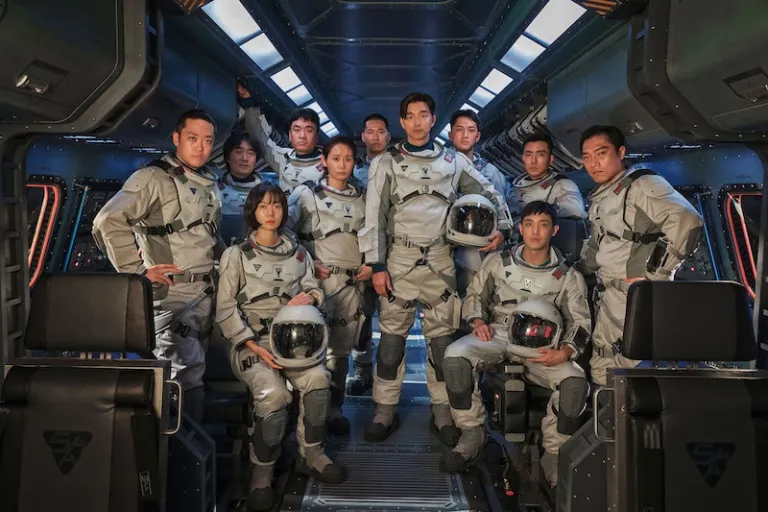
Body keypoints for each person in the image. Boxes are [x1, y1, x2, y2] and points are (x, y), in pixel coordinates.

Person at [359, 91, 513, 444]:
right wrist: (377, 265)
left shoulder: (453, 161)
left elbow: (489, 192)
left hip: (441, 261)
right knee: (390, 345)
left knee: (442, 345)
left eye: (423, 114)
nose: (417, 122)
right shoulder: (386, 163)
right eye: (410, 116)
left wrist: (503, 227)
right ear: (403, 122)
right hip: (398, 261)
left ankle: (442, 412)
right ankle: (384, 410)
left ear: (433, 119)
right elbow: (373, 216)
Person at [441, 201, 591, 486]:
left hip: (543, 344)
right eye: (529, 225)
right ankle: (472, 434)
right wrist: (478, 321)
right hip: (499, 333)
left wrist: (565, 351)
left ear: (554, 231)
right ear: (520, 228)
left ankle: (555, 454)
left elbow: (580, 321)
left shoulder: (567, 276)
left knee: (574, 383)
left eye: (543, 225)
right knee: (454, 357)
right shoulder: (498, 262)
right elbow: (475, 295)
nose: (535, 232)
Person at [216, 182, 345, 511]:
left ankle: (312, 453)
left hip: (294, 342)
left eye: (276, 205)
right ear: (253, 212)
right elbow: (225, 309)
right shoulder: (236, 255)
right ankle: (261, 474)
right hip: (253, 343)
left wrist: (310, 297)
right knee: (274, 395)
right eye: (263, 206)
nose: (270, 212)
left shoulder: (299, 253)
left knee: (318, 380)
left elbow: (314, 288)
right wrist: (253, 346)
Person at [93, 109, 222, 421]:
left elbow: (209, 238)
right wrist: (137, 274)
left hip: (206, 294)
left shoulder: (208, 182)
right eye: (193, 138)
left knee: (196, 372)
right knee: (185, 375)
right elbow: (107, 221)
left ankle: (195, 443)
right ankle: (182, 447)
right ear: (176, 138)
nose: (200, 147)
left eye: (207, 140)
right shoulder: (154, 179)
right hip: (173, 296)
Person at [578, 125, 704, 386]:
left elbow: (689, 223)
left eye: (601, 153)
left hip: (634, 300)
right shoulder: (603, 196)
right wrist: (575, 272)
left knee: (633, 371)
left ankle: (630, 413)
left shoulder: (642, 185)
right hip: (608, 298)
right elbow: (597, 246)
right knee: (602, 364)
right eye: (587, 157)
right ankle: (607, 412)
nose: (593, 163)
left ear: (621, 152)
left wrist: (654, 278)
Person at [287, 135, 371, 434]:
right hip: (317, 285)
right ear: (324, 161)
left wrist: (371, 264)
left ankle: (334, 410)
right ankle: (306, 414)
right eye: (336, 158)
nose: (342, 165)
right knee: (309, 349)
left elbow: (375, 235)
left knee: (341, 352)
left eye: (348, 159)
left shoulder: (364, 198)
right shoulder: (305, 194)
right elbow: (284, 233)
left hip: (351, 284)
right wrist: (308, 262)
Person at [448, 109, 509, 332]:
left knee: (480, 304)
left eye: (470, 130)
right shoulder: (441, 168)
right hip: (446, 251)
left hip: (480, 253)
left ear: (478, 136)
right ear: (450, 134)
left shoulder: (491, 174)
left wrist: (503, 233)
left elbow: (501, 212)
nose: (465, 135)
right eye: (459, 130)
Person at [347, 113, 391, 396]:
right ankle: (362, 372)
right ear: (362, 136)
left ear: (388, 135)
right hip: (359, 258)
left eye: (381, 131)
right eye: (370, 131)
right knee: (361, 320)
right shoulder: (350, 171)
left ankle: (386, 380)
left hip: (390, 258)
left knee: (392, 323)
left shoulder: (397, 168)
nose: (375, 136)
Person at [237, 84, 323, 193]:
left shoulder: (331, 164)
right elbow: (260, 138)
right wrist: (247, 101)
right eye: (297, 130)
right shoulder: (283, 158)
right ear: (290, 135)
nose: (302, 136)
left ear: (317, 136)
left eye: (309, 130)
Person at [508, 132, 587, 221]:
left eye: (540, 155)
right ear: (523, 158)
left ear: (550, 159)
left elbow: (577, 210)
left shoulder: (562, 184)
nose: (533, 161)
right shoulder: (513, 187)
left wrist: (545, 209)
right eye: (528, 155)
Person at [218, 130, 262, 244]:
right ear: (228, 157)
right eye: (239, 152)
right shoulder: (214, 190)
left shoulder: (267, 193)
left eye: (250, 153)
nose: (245, 158)